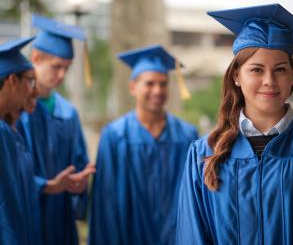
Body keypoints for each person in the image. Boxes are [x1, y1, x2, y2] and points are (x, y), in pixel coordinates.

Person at [176, 3, 293, 244]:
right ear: (236, 76)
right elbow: (193, 236)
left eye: (280, 69)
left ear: (292, 77)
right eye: (256, 70)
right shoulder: (204, 154)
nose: (269, 81)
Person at [89, 44, 199, 245]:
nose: (157, 90)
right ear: (133, 87)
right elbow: (105, 205)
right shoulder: (114, 136)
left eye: (163, 84)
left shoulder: (187, 136)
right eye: (149, 83)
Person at [18, 14, 95, 245]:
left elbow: (79, 162)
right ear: (35, 58)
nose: (62, 75)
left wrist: (79, 184)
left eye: (67, 68)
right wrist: (46, 186)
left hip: (60, 219)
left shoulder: (68, 113)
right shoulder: (16, 111)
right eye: (56, 67)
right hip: (26, 216)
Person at [0, 36, 42, 244]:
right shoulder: (2, 133)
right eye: (30, 81)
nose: (32, 90)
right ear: (12, 81)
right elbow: (6, 209)